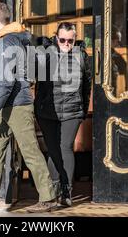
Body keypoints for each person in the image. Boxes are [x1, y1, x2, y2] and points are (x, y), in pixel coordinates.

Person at [0, 3, 57, 213]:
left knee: (29, 150)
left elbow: (6, 82)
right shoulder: (20, 39)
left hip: (16, 106)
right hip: (11, 104)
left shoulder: (7, 42)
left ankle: (48, 197)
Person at [34, 22, 91, 207]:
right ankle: (53, 190)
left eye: (70, 40)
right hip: (48, 112)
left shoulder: (81, 56)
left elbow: (87, 84)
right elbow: (36, 80)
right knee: (52, 151)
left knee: (65, 147)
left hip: (72, 111)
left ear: (75, 39)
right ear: (56, 38)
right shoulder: (46, 54)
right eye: (62, 39)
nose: (66, 43)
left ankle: (67, 192)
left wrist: (82, 107)